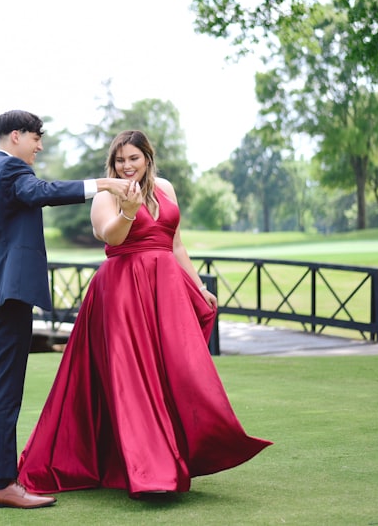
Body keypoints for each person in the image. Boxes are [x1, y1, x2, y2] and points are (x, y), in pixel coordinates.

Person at [17, 129, 272, 498]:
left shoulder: (166, 188)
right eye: (120, 160)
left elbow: (176, 243)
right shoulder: (106, 194)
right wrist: (127, 212)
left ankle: (188, 449)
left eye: (133, 158)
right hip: (121, 294)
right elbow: (111, 237)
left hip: (165, 291)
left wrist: (197, 285)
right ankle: (150, 469)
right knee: (133, 379)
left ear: (147, 158)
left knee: (179, 371)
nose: (126, 166)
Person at [0, 110, 133, 510]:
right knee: (6, 388)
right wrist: (107, 184)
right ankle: (3, 483)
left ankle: (0, 477)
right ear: (17, 136)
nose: (40, 146)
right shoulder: (9, 172)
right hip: (9, 295)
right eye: (37, 138)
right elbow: (43, 192)